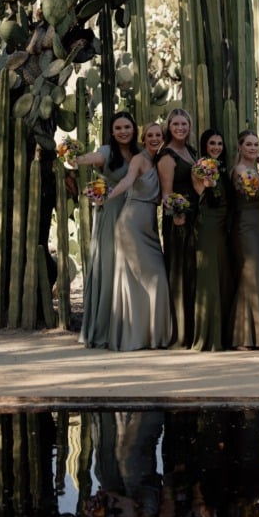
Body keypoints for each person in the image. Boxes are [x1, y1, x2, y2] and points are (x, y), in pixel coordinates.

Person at [101, 122, 172, 350]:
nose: (154, 138)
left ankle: (151, 336)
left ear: (163, 137)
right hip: (131, 223)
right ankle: (134, 337)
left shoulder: (160, 160)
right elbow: (128, 180)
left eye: (158, 135)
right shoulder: (139, 160)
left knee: (156, 279)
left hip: (149, 225)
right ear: (143, 138)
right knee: (146, 279)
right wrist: (110, 195)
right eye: (149, 135)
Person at [76, 111, 138, 349]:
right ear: (112, 132)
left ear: (134, 129)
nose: (124, 131)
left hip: (134, 213)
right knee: (110, 266)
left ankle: (129, 328)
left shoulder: (139, 152)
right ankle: (104, 330)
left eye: (128, 127)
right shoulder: (106, 152)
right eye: (119, 128)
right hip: (111, 210)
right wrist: (76, 158)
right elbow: (90, 158)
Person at [156, 108, 197, 348]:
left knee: (191, 273)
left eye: (184, 124)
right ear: (169, 127)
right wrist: (177, 214)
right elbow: (166, 194)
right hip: (178, 220)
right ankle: (179, 333)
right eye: (176, 124)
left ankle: (192, 330)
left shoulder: (190, 152)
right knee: (179, 273)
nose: (181, 128)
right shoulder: (167, 156)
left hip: (194, 217)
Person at [229, 129, 259, 350]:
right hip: (245, 226)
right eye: (249, 144)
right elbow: (248, 192)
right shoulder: (239, 170)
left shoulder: (256, 169)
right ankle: (243, 336)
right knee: (250, 276)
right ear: (240, 147)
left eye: (256, 144)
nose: (253, 148)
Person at [190, 128, 232, 351]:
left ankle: (224, 334)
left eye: (219, 143)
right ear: (205, 145)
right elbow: (205, 196)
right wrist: (209, 183)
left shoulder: (224, 169)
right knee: (209, 278)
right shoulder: (200, 169)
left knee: (223, 277)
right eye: (212, 143)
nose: (216, 147)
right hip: (208, 225)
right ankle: (208, 336)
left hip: (225, 226)